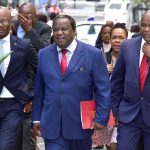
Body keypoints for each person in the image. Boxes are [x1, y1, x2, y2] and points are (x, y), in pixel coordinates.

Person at [32, 14, 111, 150]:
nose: (59, 33)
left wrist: (101, 117)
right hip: (52, 126)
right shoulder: (43, 54)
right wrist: (37, 118)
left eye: (64, 29)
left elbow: (103, 89)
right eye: (56, 29)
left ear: (74, 31)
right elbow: (39, 90)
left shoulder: (93, 54)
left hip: (81, 126)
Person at [13, 3, 51, 150]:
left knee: (28, 133)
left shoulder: (44, 28)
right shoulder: (12, 25)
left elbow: (45, 51)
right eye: (22, 15)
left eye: (29, 16)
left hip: (32, 85)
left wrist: (29, 29)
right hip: (12, 84)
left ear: (35, 16)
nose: (25, 19)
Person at [111, 11, 150, 150]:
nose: (146, 29)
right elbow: (116, 81)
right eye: (143, 25)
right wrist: (116, 110)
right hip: (128, 117)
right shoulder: (128, 45)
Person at [0, 6, 37, 149]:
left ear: (11, 22)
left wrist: (29, 93)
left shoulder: (24, 45)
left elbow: (38, 70)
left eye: (3, 21)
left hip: (13, 105)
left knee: (5, 146)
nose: (0, 25)